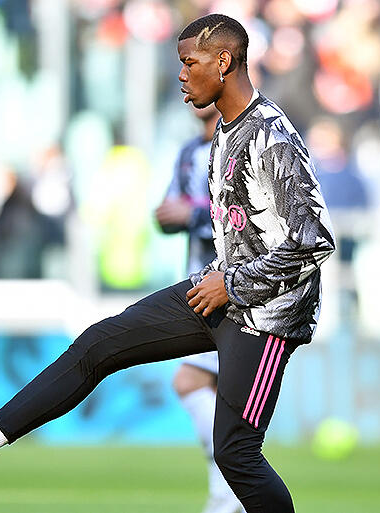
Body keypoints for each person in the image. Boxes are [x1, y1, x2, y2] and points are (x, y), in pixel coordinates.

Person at [0, 14, 335, 513]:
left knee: (236, 454)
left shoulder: (271, 135)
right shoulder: (225, 132)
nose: (181, 74)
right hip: (220, 292)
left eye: (190, 63)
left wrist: (232, 284)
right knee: (98, 344)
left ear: (223, 61)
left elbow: (315, 240)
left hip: (266, 317)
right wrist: (222, 279)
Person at [155, 103, 245, 513]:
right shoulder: (189, 151)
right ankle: (228, 494)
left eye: (195, 71)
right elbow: (170, 210)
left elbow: (246, 217)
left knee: (189, 381)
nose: (186, 83)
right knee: (217, 395)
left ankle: (230, 494)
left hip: (232, 286)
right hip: (198, 285)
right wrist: (169, 217)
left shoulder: (241, 143)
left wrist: (191, 213)